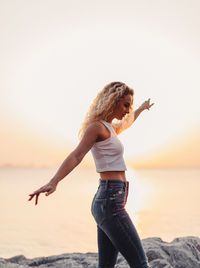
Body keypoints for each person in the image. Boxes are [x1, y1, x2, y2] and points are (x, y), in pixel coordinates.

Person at [28, 81, 154, 268]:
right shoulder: (97, 128)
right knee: (141, 263)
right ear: (113, 100)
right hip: (110, 202)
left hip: (110, 201)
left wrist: (141, 109)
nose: (128, 109)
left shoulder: (109, 128)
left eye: (130, 105)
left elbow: (127, 123)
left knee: (106, 266)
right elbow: (77, 155)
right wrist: (54, 181)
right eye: (126, 104)